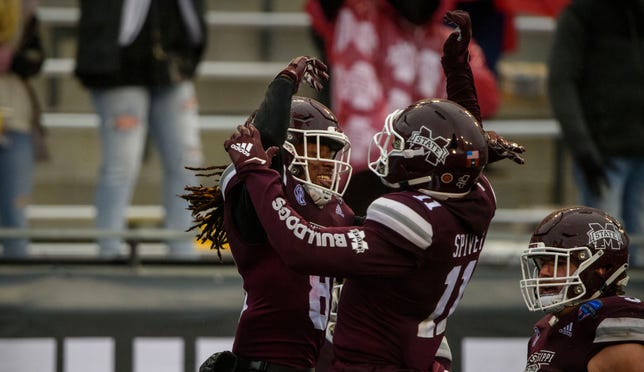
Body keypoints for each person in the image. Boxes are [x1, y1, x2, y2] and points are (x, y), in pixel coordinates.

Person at [222, 11, 524, 370]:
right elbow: (464, 145)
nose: (391, 152)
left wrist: (256, 168)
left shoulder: (409, 221)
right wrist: (457, 72)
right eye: (316, 149)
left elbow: (302, 247)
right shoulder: (475, 199)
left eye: (402, 146)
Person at [186, 55, 358, 372]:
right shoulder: (256, 192)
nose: (327, 162)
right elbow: (266, 137)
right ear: (283, 151)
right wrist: (283, 85)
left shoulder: (336, 209)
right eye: (316, 148)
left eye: (331, 152)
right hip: (267, 361)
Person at [305, 0, 501, 215]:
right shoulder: (358, 16)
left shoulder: (449, 42)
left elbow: (485, 99)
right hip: (361, 168)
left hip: (421, 174)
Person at [74, 0, 207, 258]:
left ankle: (182, 250)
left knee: (188, 159)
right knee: (121, 164)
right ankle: (109, 249)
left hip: (172, 65)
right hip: (120, 67)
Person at [546, 0, 644, 267]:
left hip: (631, 153)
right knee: (604, 257)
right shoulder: (582, 14)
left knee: (627, 258)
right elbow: (561, 80)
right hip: (602, 155)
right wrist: (583, 147)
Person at [519, 206, 644, 371]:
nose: (544, 273)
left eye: (559, 263)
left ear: (601, 269)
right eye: (542, 263)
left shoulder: (612, 321)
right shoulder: (546, 328)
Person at [0, 0, 46, 258]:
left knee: (15, 210)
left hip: (15, 115)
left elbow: (36, 57)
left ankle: (19, 280)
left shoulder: (24, 7)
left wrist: (14, 60)